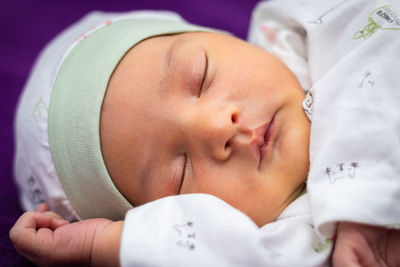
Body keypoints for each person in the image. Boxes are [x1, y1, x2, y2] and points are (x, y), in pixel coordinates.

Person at [10, 0, 400, 266]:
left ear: (221, 38)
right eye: (179, 174)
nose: (217, 128)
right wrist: (104, 246)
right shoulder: (296, 240)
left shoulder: (302, 26)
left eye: (200, 77)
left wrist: (361, 202)